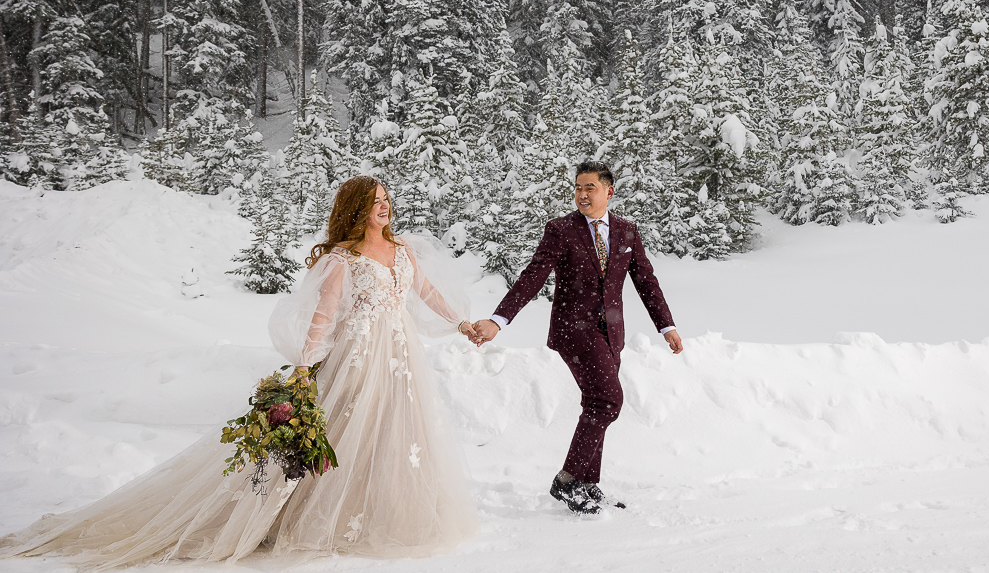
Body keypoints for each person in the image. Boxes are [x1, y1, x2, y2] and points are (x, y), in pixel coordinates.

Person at [0, 176, 478, 566]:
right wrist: (305, 370)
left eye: (388, 200)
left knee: (393, 432)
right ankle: (305, 514)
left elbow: (428, 293)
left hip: (401, 355)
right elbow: (323, 315)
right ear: (356, 208)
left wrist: (462, 322)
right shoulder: (342, 259)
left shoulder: (404, 252)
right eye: (375, 202)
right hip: (358, 356)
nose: (385, 207)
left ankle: (379, 510)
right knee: (342, 430)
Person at [470, 160, 683, 515]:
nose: (582, 195)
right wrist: (498, 319)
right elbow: (533, 275)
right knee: (608, 400)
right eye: (578, 188)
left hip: (612, 332)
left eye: (590, 188)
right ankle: (568, 480)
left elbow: (646, 281)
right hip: (574, 330)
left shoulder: (628, 231)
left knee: (596, 403)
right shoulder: (561, 230)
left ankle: (587, 483)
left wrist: (666, 325)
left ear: (609, 192)